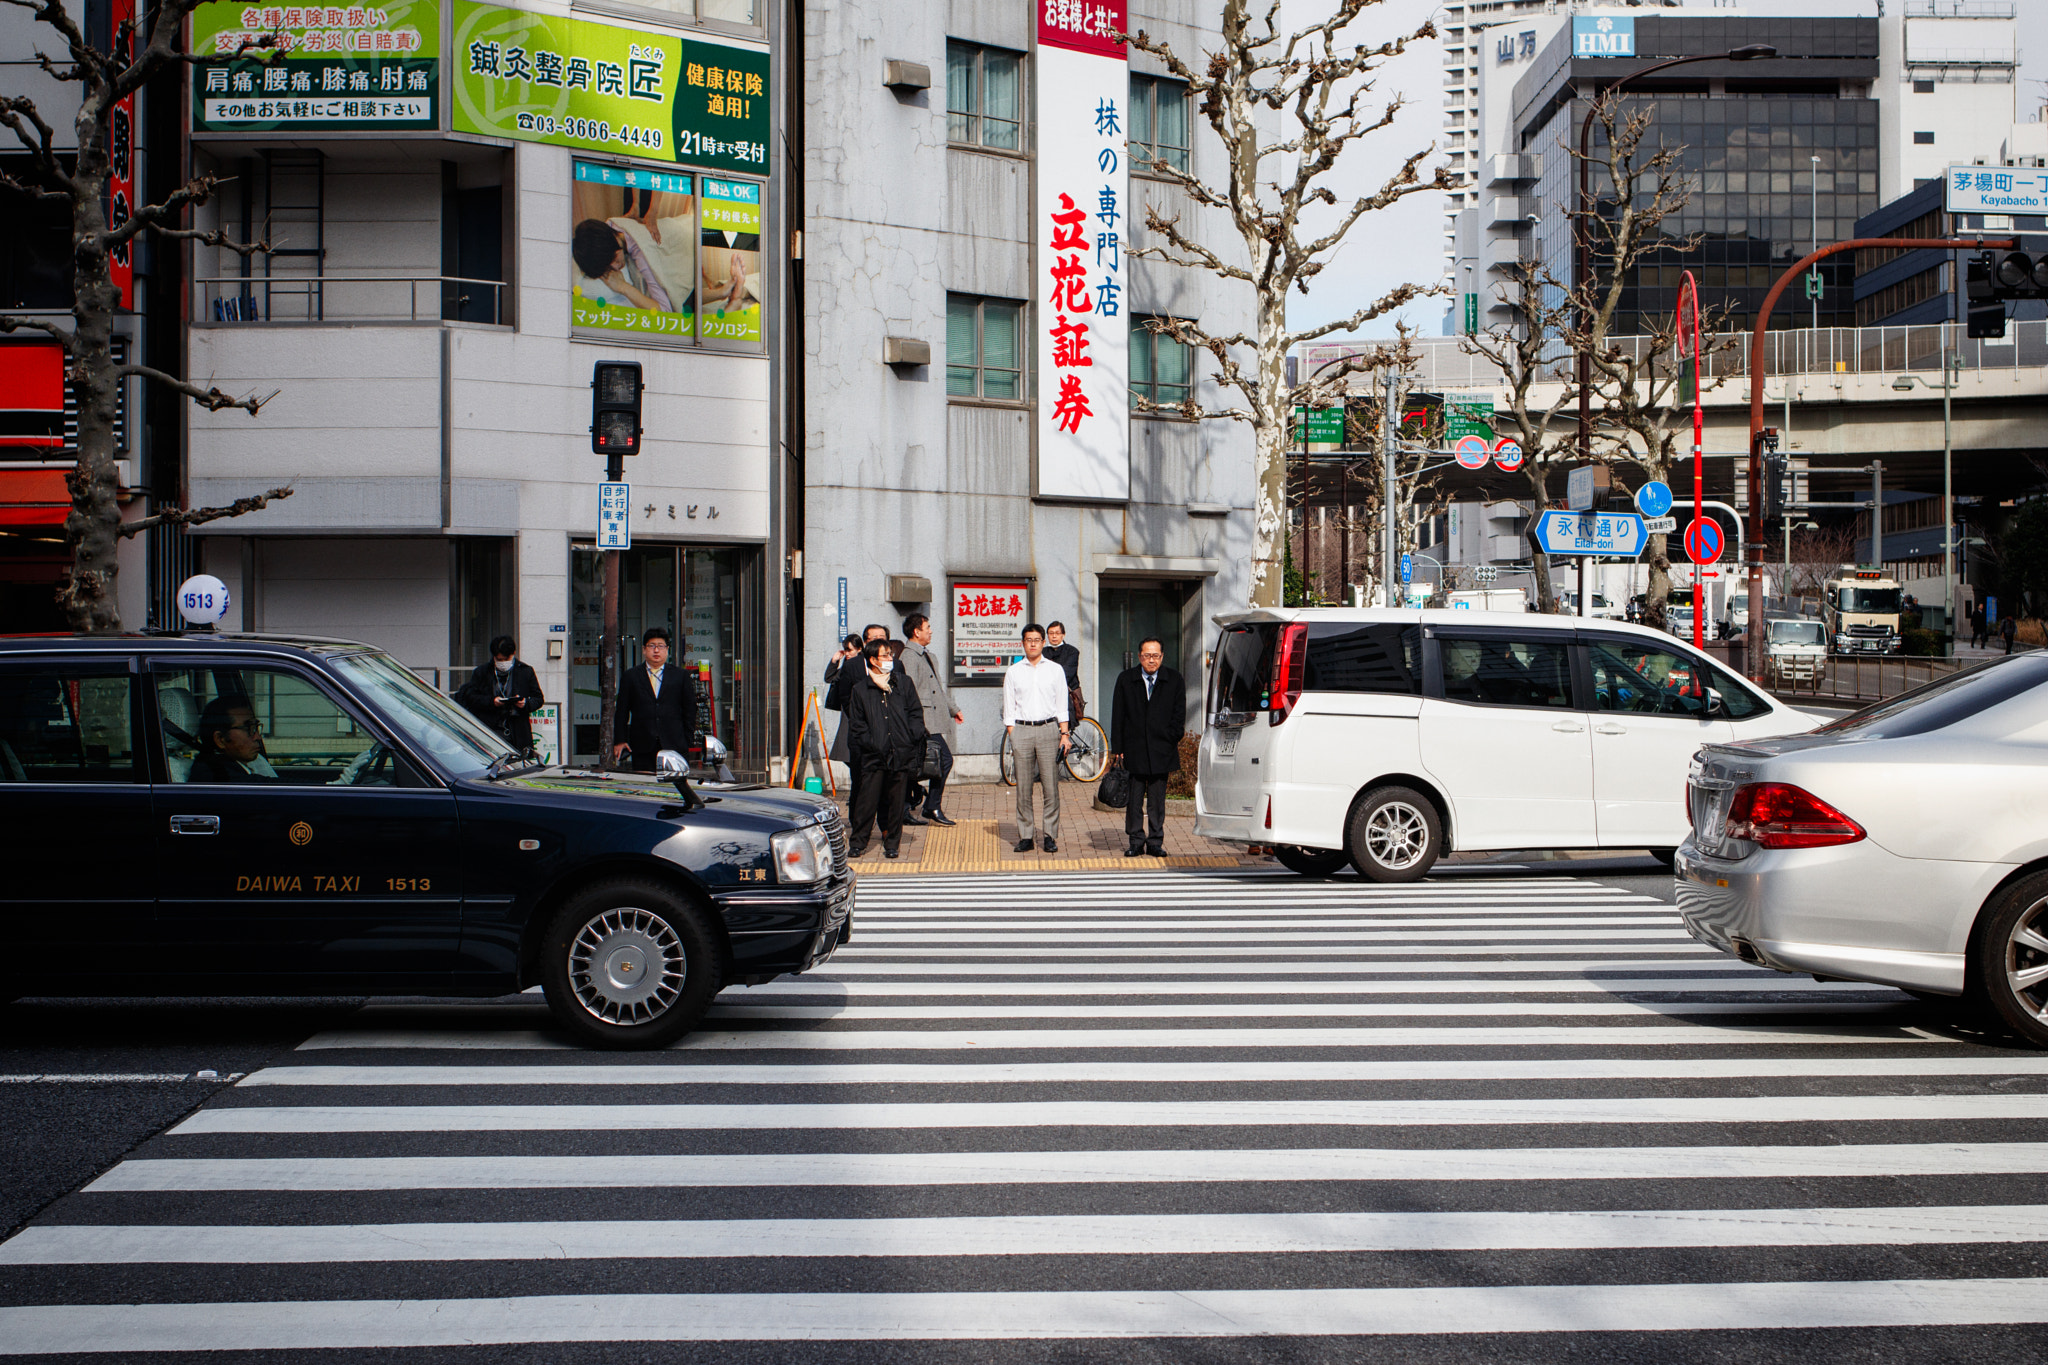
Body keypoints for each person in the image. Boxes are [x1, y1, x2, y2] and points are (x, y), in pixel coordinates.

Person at [843, 638, 927, 859]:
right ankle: (858, 842)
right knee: (866, 801)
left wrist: (911, 737)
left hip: (900, 754)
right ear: (873, 660)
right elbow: (857, 725)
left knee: (896, 802)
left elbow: (916, 713)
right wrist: (873, 744)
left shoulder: (903, 683)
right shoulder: (861, 689)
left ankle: (892, 843)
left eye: (891, 655)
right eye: (885, 655)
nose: (891, 659)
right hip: (873, 756)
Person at [1109, 637, 1187, 857]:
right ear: (1139, 656)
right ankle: (1135, 841)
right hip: (1134, 748)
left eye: (1155, 656)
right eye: (1147, 655)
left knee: (1157, 801)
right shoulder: (1126, 679)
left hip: (1162, 749)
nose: (1151, 660)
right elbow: (1118, 715)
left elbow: (1179, 714)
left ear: (1162, 656)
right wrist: (1118, 747)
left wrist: (1172, 737)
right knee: (1134, 800)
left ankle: (1155, 842)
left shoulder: (1174, 679)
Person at [1003, 623, 1070, 853]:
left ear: (1044, 642)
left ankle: (1050, 835)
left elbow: (1062, 704)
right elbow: (1008, 707)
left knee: (1051, 786)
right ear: (1023, 643)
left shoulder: (1055, 669)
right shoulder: (1014, 671)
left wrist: (1064, 734)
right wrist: (1013, 734)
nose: (1032, 643)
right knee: (1023, 787)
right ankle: (1026, 836)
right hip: (1021, 730)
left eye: (1036, 639)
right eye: (1028, 639)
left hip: (1048, 730)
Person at [899, 612, 964, 827]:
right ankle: (928, 805)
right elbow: (908, 693)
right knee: (942, 760)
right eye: (927, 627)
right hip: (922, 723)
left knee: (925, 763)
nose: (931, 631)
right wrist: (913, 723)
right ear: (916, 632)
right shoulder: (908, 656)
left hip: (931, 720)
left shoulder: (927, 655)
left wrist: (953, 709)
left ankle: (912, 805)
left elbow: (937, 687)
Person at [614, 627, 696, 772]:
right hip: (642, 744)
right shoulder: (631, 676)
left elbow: (690, 710)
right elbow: (622, 711)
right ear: (644, 649)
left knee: (675, 786)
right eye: (652, 646)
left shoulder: (681, 676)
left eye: (660, 646)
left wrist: (686, 740)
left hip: (674, 744)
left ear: (667, 650)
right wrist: (620, 740)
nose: (656, 650)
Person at [826, 624, 888, 808]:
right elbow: (838, 687)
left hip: (883, 729)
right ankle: (858, 811)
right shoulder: (852, 666)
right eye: (874, 637)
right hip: (858, 724)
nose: (879, 640)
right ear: (866, 642)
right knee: (858, 770)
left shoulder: (892, 664)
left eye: (882, 636)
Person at [455, 635, 545, 753]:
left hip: (517, 730)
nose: (503, 663)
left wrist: (525, 704)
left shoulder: (525, 671)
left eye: (506, 659)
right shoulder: (482, 672)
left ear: (513, 653)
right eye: (499, 660)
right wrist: (492, 702)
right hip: (489, 728)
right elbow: (471, 697)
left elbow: (538, 699)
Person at [571, 219, 667, 312]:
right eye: (608, 268)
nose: (616, 268)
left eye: (614, 259)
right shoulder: (603, 232)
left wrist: (623, 287)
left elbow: (664, 312)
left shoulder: (642, 252)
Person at [190, 696, 280, 783]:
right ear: (220, 739)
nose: (257, 737)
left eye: (255, 728)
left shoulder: (229, 765)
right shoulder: (215, 774)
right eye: (249, 729)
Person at [1044, 620, 1084, 722]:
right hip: (1046, 693)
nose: (1054, 636)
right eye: (1051, 633)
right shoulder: (1042, 652)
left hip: (1068, 694)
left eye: (1057, 633)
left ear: (1063, 635)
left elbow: (1066, 674)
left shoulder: (1072, 651)